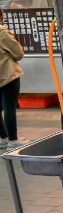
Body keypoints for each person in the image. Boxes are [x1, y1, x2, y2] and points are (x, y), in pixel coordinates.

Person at [0, 9, 24, 149]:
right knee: (9, 107)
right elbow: (18, 53)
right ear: (1, 16)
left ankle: (3, 138)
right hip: (7, 75)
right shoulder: (2, 33)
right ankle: (13, 142)